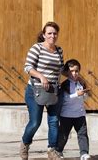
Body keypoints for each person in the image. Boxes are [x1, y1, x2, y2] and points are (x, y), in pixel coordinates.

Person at [20, 21, 64, 160]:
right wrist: (41, 77)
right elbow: (28, 67)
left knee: (54, 121)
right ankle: (25, 144)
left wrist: (77, 77)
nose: (52, 36)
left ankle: (52, 150)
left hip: (53, 90)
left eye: (55, 33)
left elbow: (61, 70)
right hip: (35, 90)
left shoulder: (59, 50)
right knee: (35, 122)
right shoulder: (36, 48)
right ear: (44, 35)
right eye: (49, 33)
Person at [57, 58, 91, 160]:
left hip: (80, 114)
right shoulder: (65, 84)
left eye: (76, 71)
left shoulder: (81, 83)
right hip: (66, 115)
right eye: (71, 71)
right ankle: (58, 151)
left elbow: (85, 97)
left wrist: (86, 94)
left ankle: (84, 153)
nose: (74, 73)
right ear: (67, 72)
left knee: (83, 134)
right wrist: (77, 94)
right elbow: (65, 99)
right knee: (63, 135)